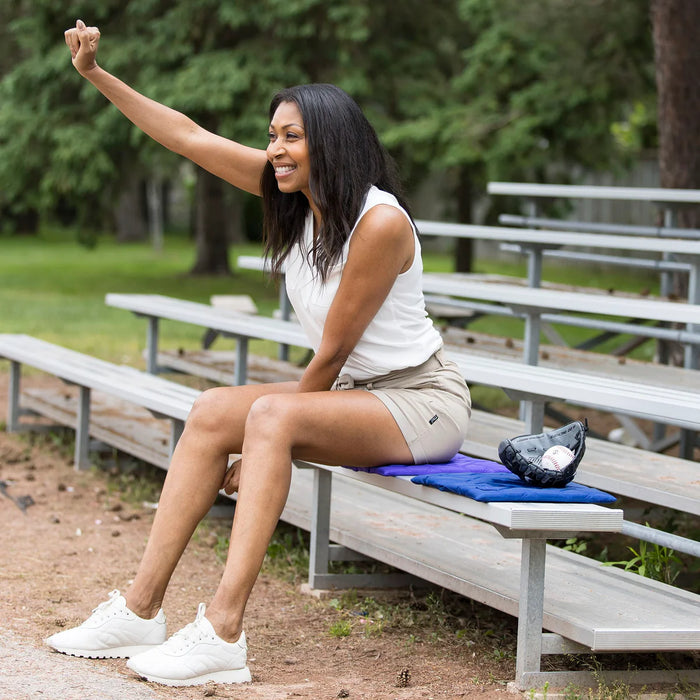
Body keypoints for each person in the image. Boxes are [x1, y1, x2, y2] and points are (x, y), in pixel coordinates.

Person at [49, 19, 471, 688]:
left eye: (290, 137)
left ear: (329, 144)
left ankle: (222, 631)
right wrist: (96, 75)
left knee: (270, 418)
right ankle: (139, 609)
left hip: (420, 401)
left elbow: (332, 354)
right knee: (214, 408)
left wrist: (261, 448)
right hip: (363, 396)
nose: (274, 148)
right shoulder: (295, 201)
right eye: (273, 135)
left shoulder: (380, 222)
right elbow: (187, 136)